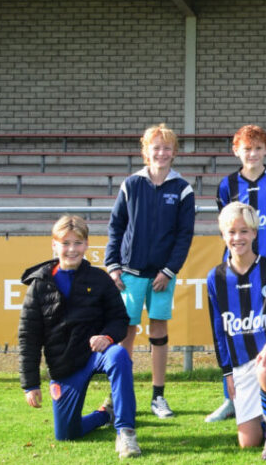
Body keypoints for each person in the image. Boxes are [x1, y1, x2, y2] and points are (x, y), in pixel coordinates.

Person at [18, 215, 140, 458]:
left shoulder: (99, 278)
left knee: (118, 355)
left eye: (77, 243)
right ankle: (106, 414)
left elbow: (120, 319)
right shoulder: (39, 286)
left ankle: (126, 432)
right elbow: (28, 338)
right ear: (54, 245)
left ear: (86, 245)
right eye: (65, 243)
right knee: (66, 434)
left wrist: (107, 337)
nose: (71, 249)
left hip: (96, 355)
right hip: (65, 366)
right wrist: (30, 384)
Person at [207, 124, 266, 423]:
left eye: (258, 148)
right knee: (234, 330)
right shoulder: (227, 185)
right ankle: (230, 399)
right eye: (247, 149)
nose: (253, 154)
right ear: (236, 151)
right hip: (235, 270)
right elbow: (226, 223)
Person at [106, 123, 195, 419]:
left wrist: (169, 271)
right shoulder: (131, 184)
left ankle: (158, 396)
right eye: (156, 147)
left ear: (174, 152)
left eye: (167, 148)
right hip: (129, 274)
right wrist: (113, 267)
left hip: (161, 276)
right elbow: (116, 227)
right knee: (126, 331)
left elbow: (184, 235)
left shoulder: (183, 189)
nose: (161, 153)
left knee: (158, 330)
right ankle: (119, 394)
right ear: (146, 151)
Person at [207, 203, 266, 460]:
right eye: (231, 232)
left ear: (254, 233)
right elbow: (219, 331)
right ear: (223, 235)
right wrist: (227, 372)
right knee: (248, 442)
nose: (238, 237)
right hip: (242, 362)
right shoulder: (216, 277)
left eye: (244, 231)